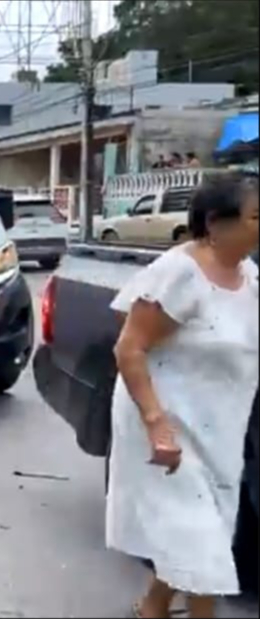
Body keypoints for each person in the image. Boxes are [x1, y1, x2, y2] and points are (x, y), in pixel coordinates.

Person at [109, 171, 259, 619]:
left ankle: (153, 607)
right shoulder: (179, 273)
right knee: (202, 543)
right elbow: (129, 348)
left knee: (202, 530)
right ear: (215, 222)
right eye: (257, 215)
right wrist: (158, 426)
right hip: (167, 423)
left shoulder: (248, 275)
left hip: (218, 425)